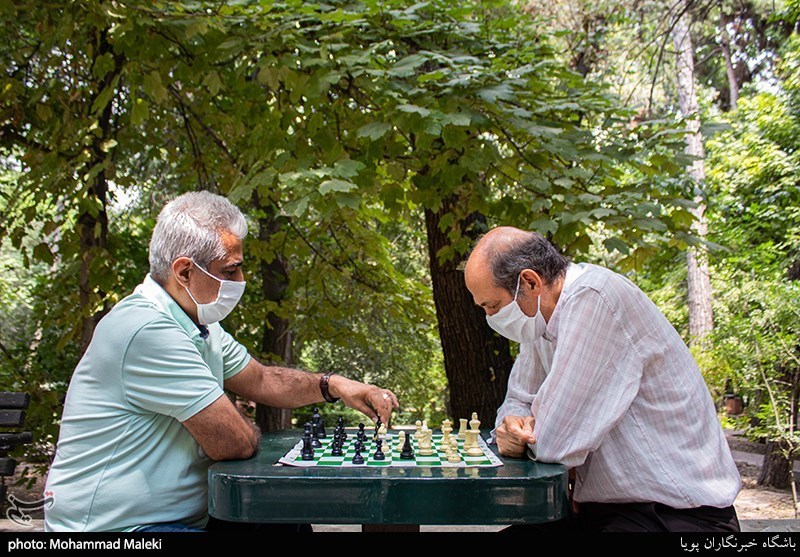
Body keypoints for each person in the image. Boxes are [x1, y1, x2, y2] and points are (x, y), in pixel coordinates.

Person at [44, 191, 399, 532]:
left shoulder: (197, 322)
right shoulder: (147, 329)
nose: (240, 282)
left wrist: (334, 385)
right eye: (230, 271)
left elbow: (261, 380)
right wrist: (242, 427)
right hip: (117, 529)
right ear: (184, 272)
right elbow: (234, 442)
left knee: (284, 523)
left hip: (178, 519)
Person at [463, 226, 741, 532]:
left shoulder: (593, 299)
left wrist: (525, 438)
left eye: (493, 305)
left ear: (530, 282)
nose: (490, 318)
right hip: (608, 511)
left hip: (676, 516)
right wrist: (512, 426)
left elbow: (554, 441)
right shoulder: (540, 320)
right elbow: (517, 402)